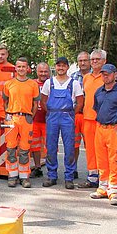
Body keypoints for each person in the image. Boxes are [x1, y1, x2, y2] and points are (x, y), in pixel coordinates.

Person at [90, 63, 117, 205]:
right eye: (103, 73)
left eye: (108, 73)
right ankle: (103, 187)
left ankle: (114, 189)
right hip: (100, 129)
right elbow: (97, 109)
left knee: (115, 159)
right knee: (101, 159)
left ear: (115, 74)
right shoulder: (99, 91)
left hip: (115, 129)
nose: (105, 76)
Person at [41, 57, 84, 189]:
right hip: (52, 116)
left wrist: (71, 113)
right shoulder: (49, 82)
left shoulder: (74, 83)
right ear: (56, 67)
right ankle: (52, 175)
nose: (61, 68)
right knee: (51, 146)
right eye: (58, 65)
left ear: (67, 67)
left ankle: (69, 177)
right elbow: (43, 101)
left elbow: (80, 101)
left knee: (69, 147)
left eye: (63, 66)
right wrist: (51, 112)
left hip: (67, 117)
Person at [3, 57, 41, 188]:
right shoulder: (8, 84)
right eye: (19, 67)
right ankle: (12, 175)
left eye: (23, 67)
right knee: (11, 148)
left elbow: (36, 104)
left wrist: (30, 116)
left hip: (26, 119)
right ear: (15, 68)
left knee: (25, 149)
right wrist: (8, 115)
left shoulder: (33, 84)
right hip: (12, 119)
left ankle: (24, 177)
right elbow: (5, 101)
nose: (21, 69)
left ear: (27, 69)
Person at [78, 49, 106, 188]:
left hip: (102, 120)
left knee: (103, 150)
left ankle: (105, 179)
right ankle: (92, 177)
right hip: (87, 118)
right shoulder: (86, 78)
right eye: (93, 59)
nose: (94, 61)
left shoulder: (108, 77)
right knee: (90, 149)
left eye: (98, 59)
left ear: (104, 61)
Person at [70, 51, 90, 179]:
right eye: (80, 61)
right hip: (75, 115)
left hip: (91, 116)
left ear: (89, 62)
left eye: (85, 60)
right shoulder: (72, 77)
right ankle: (73, 169)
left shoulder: (97, 76)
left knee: (91, 146)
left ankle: (93, 171)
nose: (83, 63)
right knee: (73, 144)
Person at [30, 62, 49, 178]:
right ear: (37, 72)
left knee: (50, 146)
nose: (43, 74)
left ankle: (52, 170)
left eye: (45, 71)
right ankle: (37, 168)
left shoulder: (53, 83)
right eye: (41, 71)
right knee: (35, 145)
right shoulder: (32, 83)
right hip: (35, 119)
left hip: (49, 120)